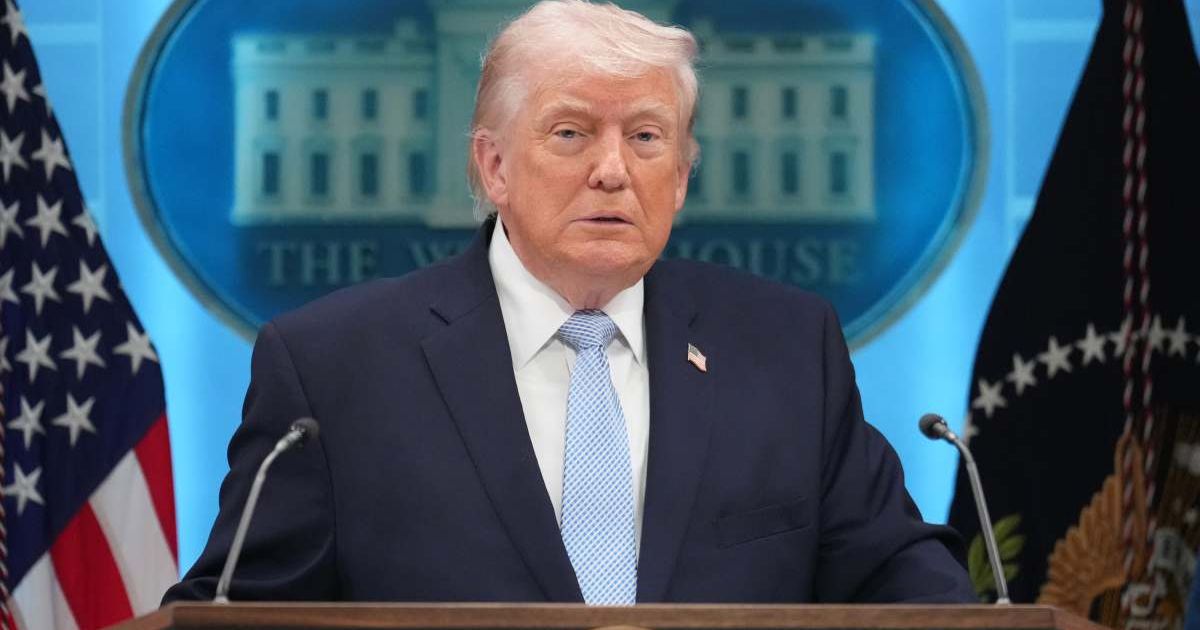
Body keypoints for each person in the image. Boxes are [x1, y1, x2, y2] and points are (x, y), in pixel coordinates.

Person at [164, 0, 975, 604]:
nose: (614, 170)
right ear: (493, 168)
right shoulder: (334, 368)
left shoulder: (789, 348)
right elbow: (237, 610)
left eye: (647, 137)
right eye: (571, 133)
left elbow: (898, 578)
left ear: (684, 174)